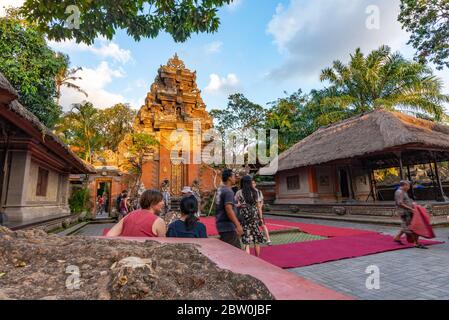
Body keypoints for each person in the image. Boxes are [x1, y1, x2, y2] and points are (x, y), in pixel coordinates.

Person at [235, 176, 266, 257]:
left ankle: (248, 260)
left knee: (246, 239)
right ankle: (257, 258)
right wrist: (261, 218)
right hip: (254, 216)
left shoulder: (239, 192)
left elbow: (236, 204)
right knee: (256, 240)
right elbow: (259, 207)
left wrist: (240, 205)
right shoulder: (256, 192)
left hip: (244, 217)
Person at [394, 180, 427, 249]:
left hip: (407, 211)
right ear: (404, 185)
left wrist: (413, 205)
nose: (409, 187)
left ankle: (397, 237)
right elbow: (400, 203)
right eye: (408, 186)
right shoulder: (399, 192)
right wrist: (411, 209)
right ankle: (415, 242)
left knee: (406, 225)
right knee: (410, 227)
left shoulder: (403, 192)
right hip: (404, 212)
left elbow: (406, 201)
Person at [215, 169, 243, 248]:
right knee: (235, 252)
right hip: (228, 226)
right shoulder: (228, 191)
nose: (235, 178)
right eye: (234, 176)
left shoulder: (220, 190)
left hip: (221, 224)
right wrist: (238, 225)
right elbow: (228, 209)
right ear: (229, 178)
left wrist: (235, 205)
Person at [252, 180, 272, 246]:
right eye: (251, 183)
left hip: (259, 211)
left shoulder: (259, 192)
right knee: (253, 226)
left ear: (255, 184)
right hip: (252, 211)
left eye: (253, 183)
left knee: (263, 225)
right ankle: (257, 239)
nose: (252, 184)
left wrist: (261, 205)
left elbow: (262, 200)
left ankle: (268, 239)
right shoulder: (249, 192)